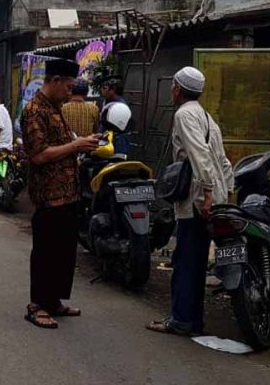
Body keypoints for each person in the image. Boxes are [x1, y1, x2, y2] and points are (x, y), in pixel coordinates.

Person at [148, 66, 234, 337]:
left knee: (186, 260)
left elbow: (199, 154)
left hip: (197, 200)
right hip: (212, 197)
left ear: (177, 88)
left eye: (173, 86)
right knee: (195, 260)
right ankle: (191, 320)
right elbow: (222, 160)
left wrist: (207, 192)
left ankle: (182, 320)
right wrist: (225, 191)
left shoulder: (184, 115)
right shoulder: (206, 117)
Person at [21, 58, 100, 329]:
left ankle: (53, 300)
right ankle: (37, 305)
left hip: (68, 192)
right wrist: (76, 146)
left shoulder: (57, 109)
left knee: (65, 251)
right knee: (46, 250)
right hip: (48, 193)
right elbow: (40, 155)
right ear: (54, 81)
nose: (70, 92)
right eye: (67, 86)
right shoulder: (34, 111)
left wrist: (82, 145)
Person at [99, 76, 131, 156]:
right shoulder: (106, 102)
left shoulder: (120, 106)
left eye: (105, 88)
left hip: (116, 143)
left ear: (113, 90)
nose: (102, 91)